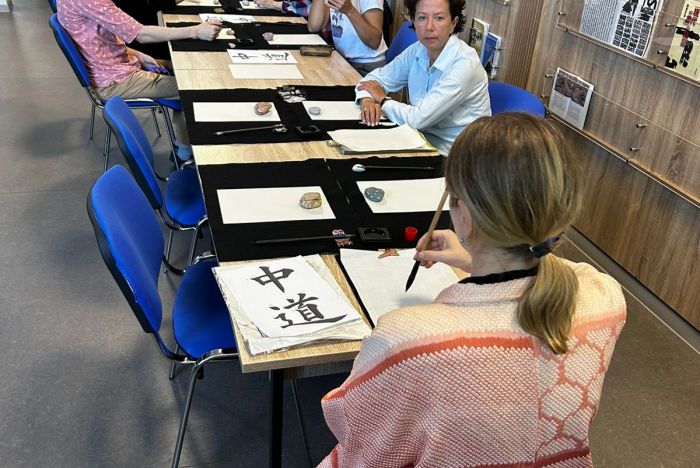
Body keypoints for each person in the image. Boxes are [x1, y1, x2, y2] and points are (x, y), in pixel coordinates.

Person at [318, 113, 627, 467]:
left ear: (463, 215)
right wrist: (470, 257)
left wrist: (475, 256)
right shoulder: (606, 297)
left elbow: (356, 433)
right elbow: (555, 269)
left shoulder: (407, 342)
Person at [57, 0, 222, 158]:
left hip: (116, 65)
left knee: (186, 67)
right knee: (192, 87)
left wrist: (137, 55)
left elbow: (96, 37)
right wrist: (195, 31)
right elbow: (141, 35)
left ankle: (183, 144)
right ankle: (186, 151)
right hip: (114, 80)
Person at [355, 0, 490, 155]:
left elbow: (418, 119)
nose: (429, 27)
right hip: (417, 142)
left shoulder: (465, 65)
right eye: (422, 17)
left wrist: (383, 100)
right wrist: (367, 100)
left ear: (453, 23)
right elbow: (372, 80)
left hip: (453, 158)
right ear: (413, 20)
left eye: (439, 18)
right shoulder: (418, 49)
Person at [307, 0, 387, 75]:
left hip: (366, 65)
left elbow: (374, 42)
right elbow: (313, 26)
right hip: (342, 61)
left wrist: (350, 10)